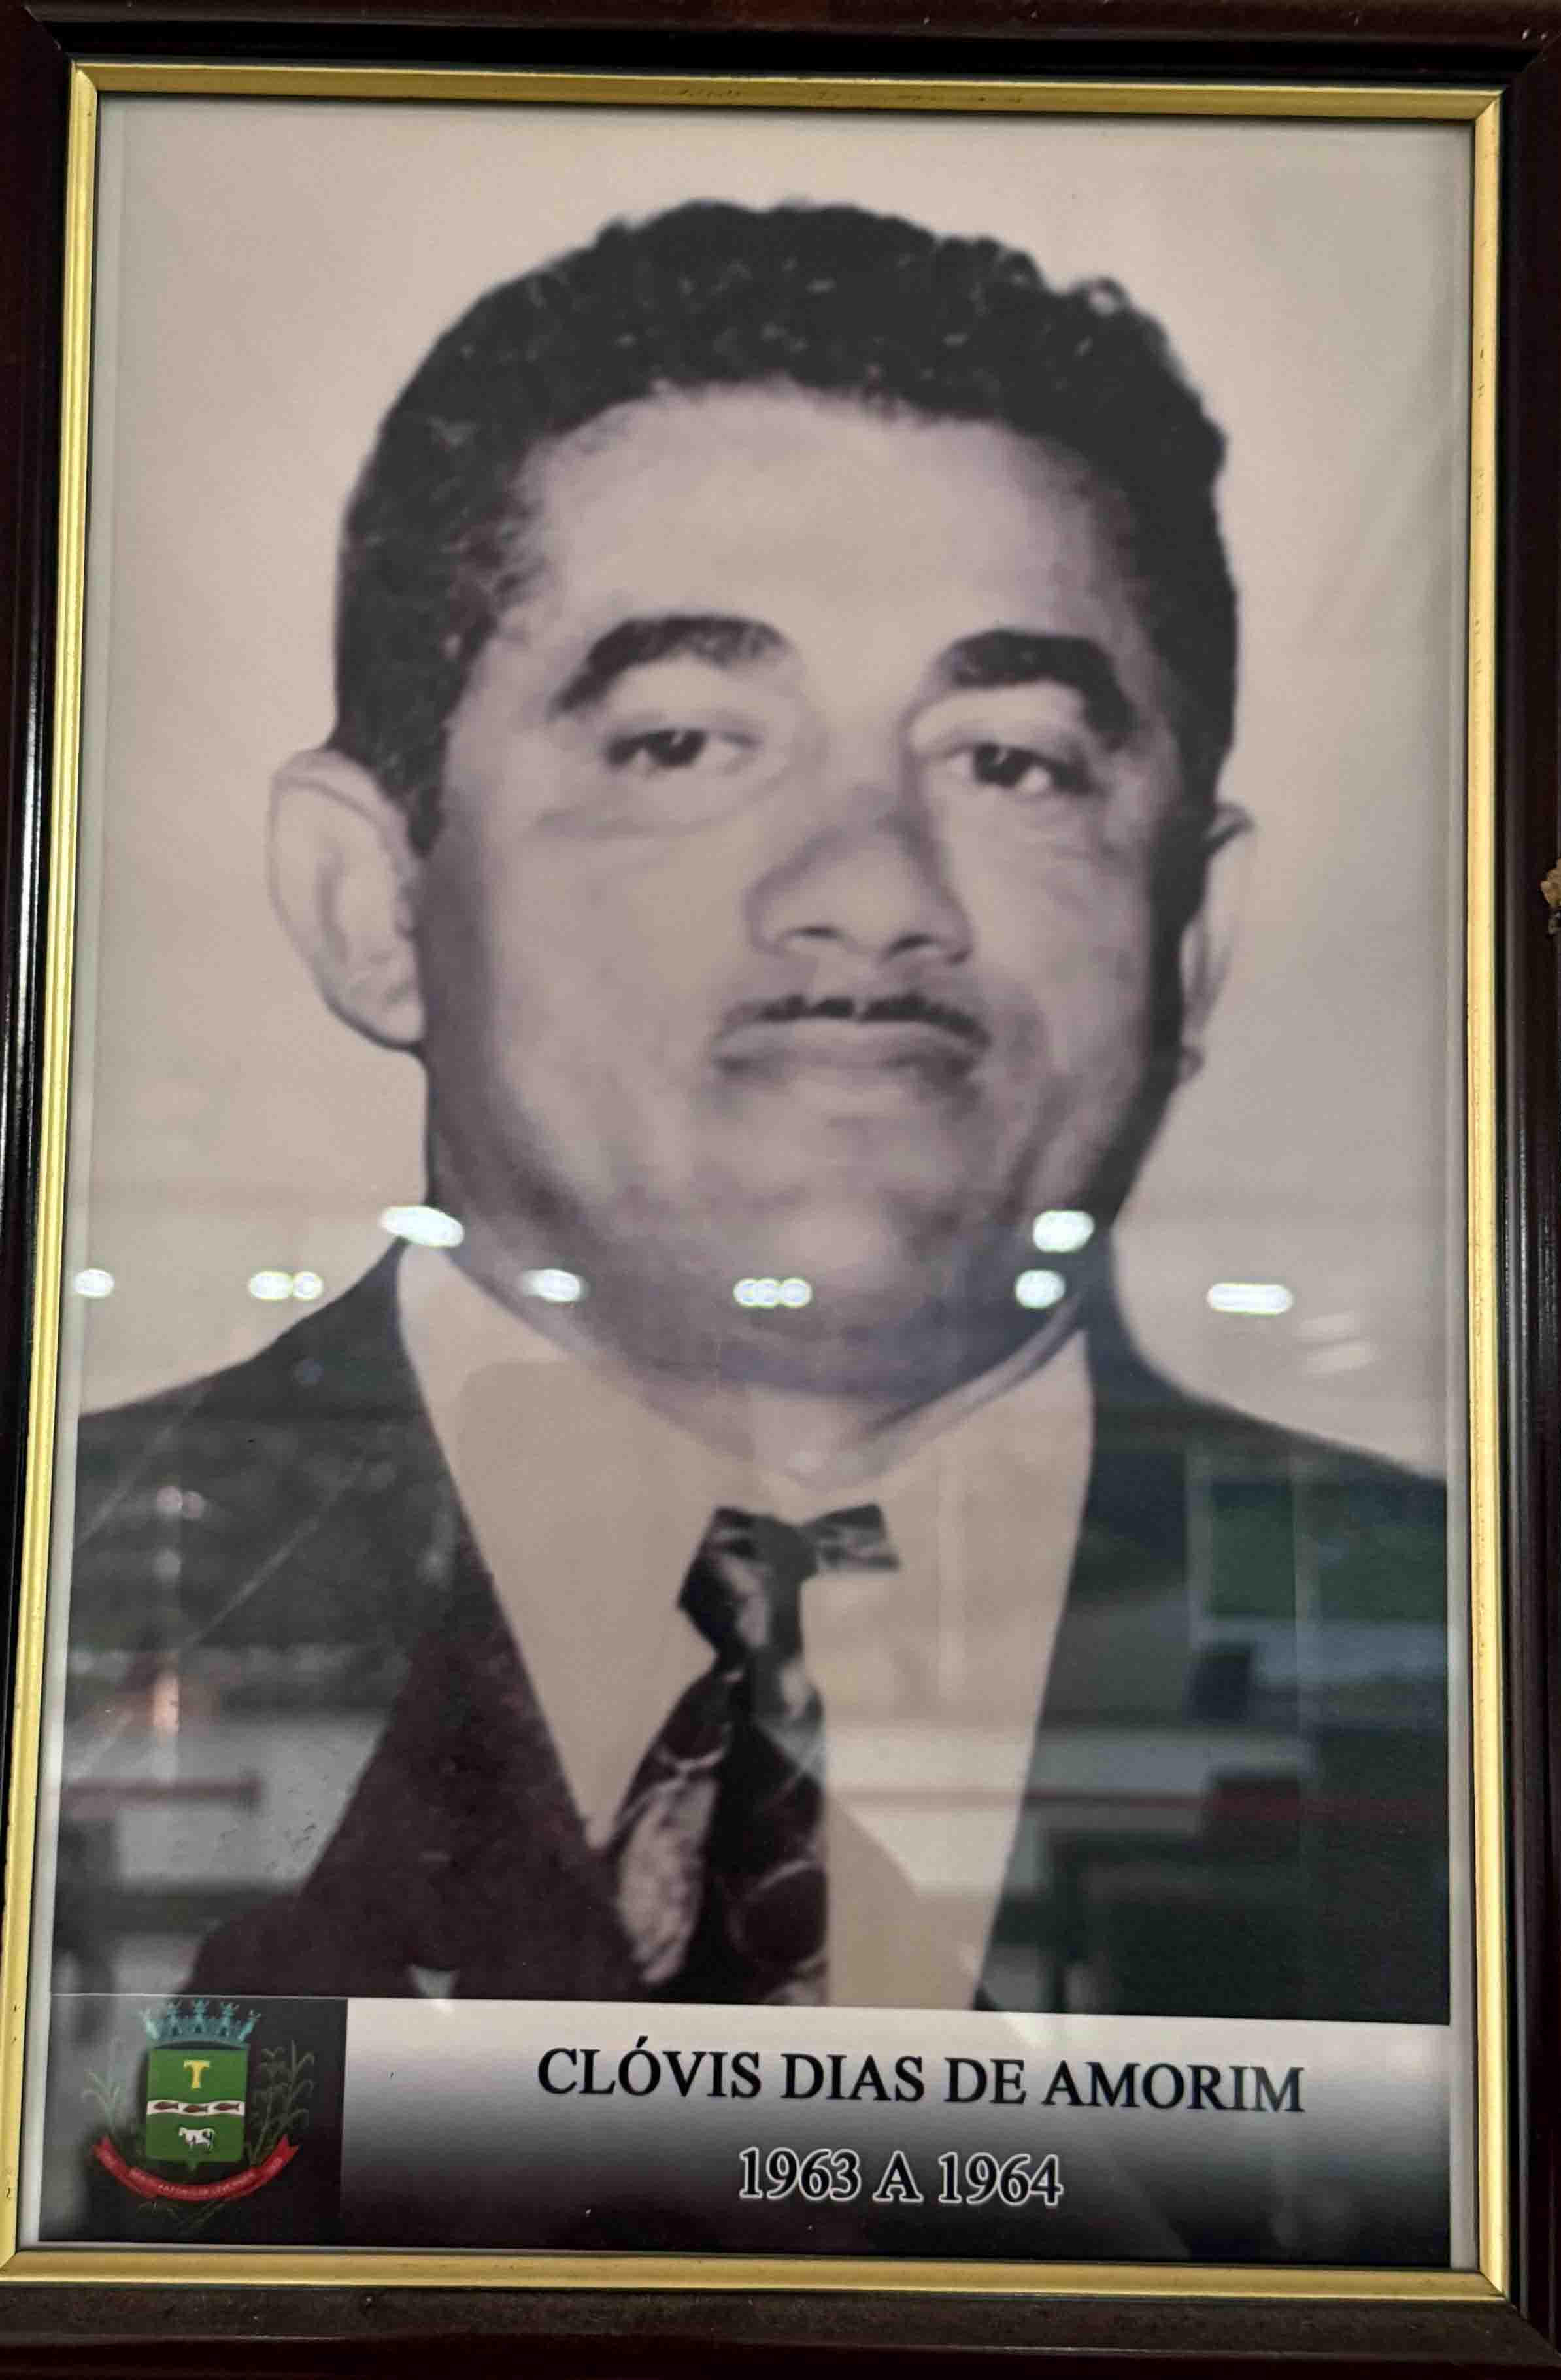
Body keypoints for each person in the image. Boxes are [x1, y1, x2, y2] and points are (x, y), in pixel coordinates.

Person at [65, 201, 1448, 2020]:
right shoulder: (65, 1585)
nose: (870, 892)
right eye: (683, 743)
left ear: (1193, 938)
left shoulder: (1476, 1662)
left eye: (1011, 763)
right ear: (372, 901)